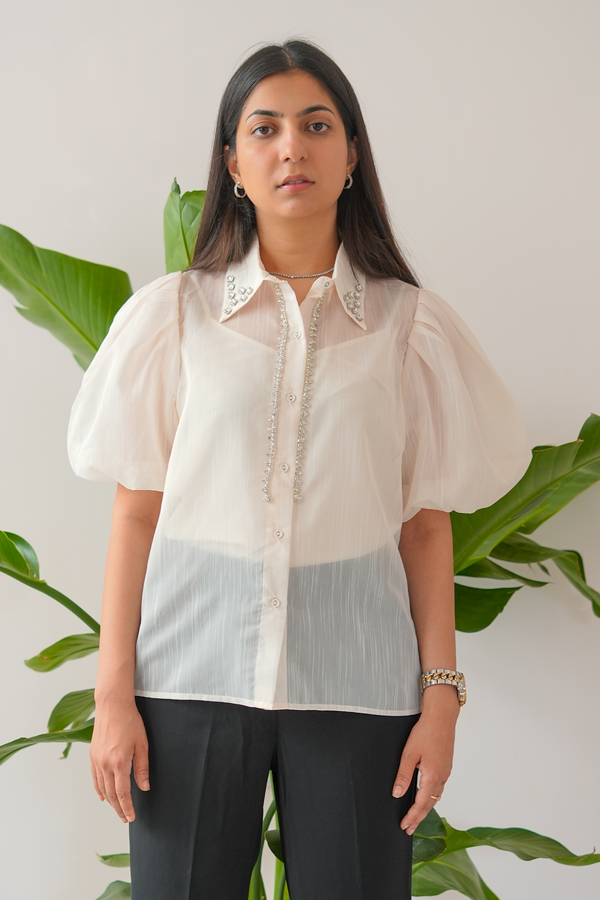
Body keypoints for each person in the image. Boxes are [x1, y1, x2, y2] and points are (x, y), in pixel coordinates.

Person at [67, 39, 531, 900]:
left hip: (357, 689)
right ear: (233, 163)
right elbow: (137, 512)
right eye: (266, 128)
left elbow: (425, 527)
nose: (293, 148)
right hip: (186, 683)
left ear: (351, 154)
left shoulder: (411, 330)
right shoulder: (175, 317)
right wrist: (113, 697)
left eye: (318, 125)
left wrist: (441, 701)